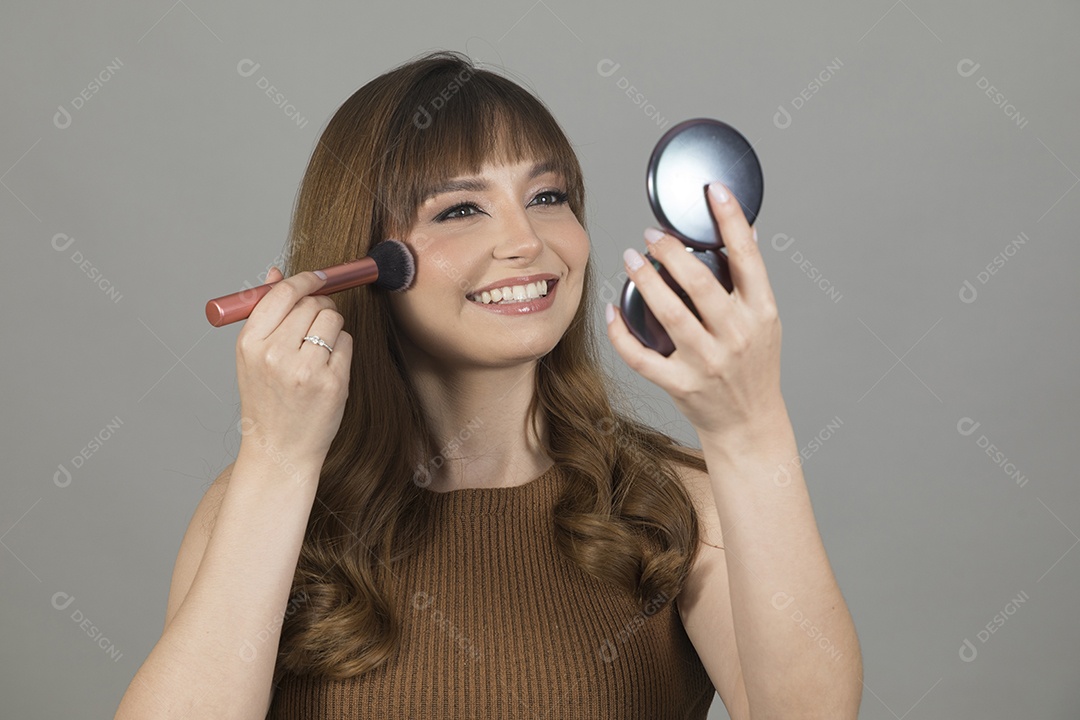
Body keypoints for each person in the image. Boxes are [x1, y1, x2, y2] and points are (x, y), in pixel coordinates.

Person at [115, 50, 862, 719]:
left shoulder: (671, 507)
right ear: (364, 257)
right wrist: (278, 462)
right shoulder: (262, 500)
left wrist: (750, 430)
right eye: (461, 209)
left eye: (547, 197)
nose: (526, 243)